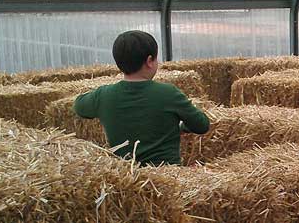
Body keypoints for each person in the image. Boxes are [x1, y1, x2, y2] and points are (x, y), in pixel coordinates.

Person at [73, 30, 209, 166]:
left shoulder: (103, 95)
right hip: (166, 174)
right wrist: (180, 127)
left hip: (127, 176)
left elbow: (78, 106)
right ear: (150, 61)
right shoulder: (168, 93)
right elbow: (202, 125)